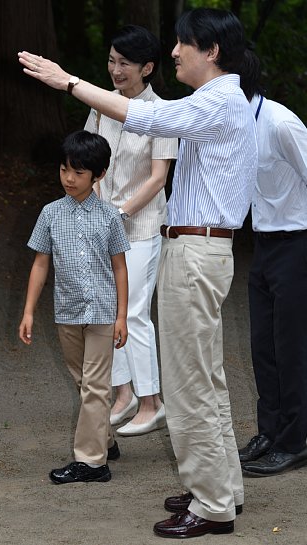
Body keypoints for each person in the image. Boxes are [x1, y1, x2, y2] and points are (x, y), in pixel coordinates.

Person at [18, 6, 257, 538]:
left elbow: (144, 118)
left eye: (181, 44)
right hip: (203, 250)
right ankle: (223, 488)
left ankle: (212, 503)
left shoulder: (217, 99)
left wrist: (68, 81)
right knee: (208, 379)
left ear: (211, 51)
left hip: (196, 253)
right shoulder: (221, 100)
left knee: (191, 381)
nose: (173, 52)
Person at [19, 130, 130, 484]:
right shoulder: (50, 213)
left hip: (101, 313)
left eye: (79, 172)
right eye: (65, 169)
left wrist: (122, 315)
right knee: (85, 383)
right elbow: (40, 263)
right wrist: (29, 311)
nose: (69, 178)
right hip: (67, 312)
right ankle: (105, 439)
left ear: (98, 175)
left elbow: (119, 267)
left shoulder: (110, 217)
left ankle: (91, 462)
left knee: (96, 386)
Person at [84, 25, 178, 436]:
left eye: (124, 63)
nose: (115, 70)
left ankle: (152, 402)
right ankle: (122, 395)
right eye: (111, 60)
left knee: (134, 311)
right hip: (104, 223)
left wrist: (118, 212)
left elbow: (158, 177)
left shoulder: (162, 113)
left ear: (148, 68)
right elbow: (90, 157)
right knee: (108, 311)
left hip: (141, 226)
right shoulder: (102, 105)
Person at [237, 51, 307, 476]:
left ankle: (295, 440)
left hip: (297, 243)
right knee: (263, 346)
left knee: (291, 346)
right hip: (262, 245)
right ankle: (270, 431)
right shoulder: (234, 124)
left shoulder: (281, 123)